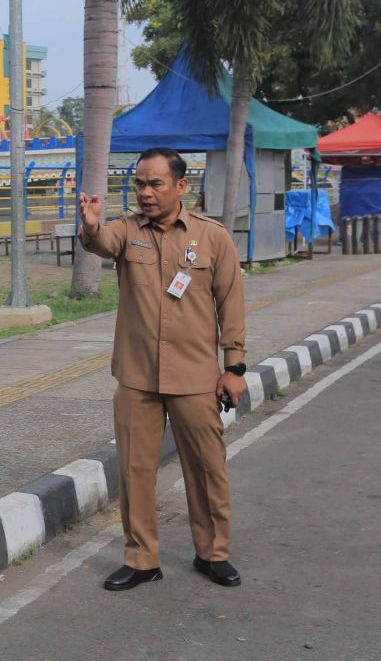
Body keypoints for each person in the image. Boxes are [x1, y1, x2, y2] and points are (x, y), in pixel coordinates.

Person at [77, 147, 247, 591]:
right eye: (139, 184)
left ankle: (213, 553)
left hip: (194, 377)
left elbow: (231, 304)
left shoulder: (212, 238)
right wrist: (91, 226)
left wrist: (235, 367)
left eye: (155, 183)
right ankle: (141, 558)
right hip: (137, 376)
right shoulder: (126, 231)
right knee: (135, 470)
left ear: (181, 186)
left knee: (207, 468)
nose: (146, 193)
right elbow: (100, 242)